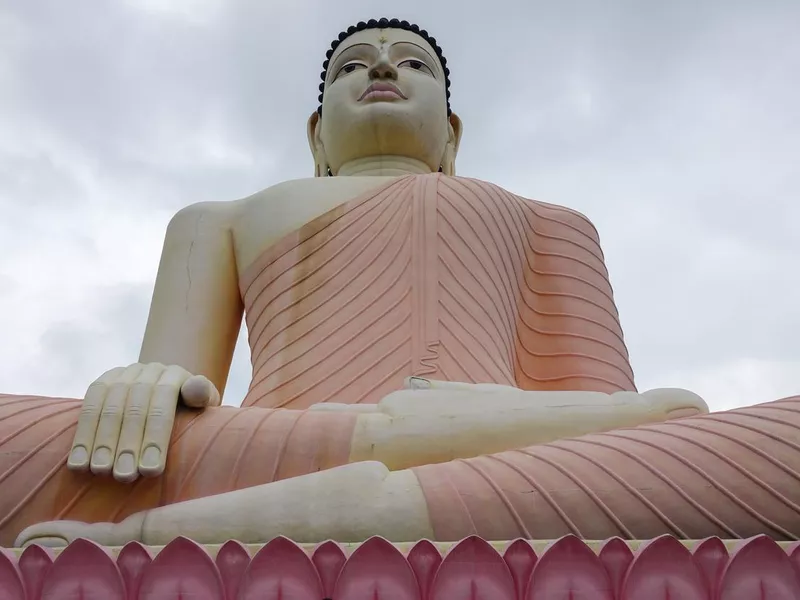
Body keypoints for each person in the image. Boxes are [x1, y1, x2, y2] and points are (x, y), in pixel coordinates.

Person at [6, 18, 799, 548]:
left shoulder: (550, 220)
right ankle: (401, 451)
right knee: (85, 442)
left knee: (723, 431)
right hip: (275, 446)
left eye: (411, 64)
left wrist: (551, 421)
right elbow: (177, 394)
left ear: (451, 134)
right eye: (355, 65)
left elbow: (631, 435)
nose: (384, 67)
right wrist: (149, 383)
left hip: (525, 450)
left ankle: (154, 540)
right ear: (317, 134)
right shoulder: (219, 217)